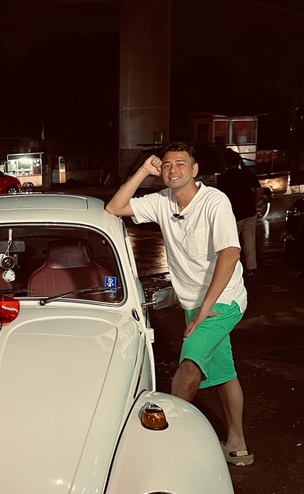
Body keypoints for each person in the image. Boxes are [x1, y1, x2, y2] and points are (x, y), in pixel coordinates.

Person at [105, 142, 252, 466]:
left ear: (195, 169)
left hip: (222, 302)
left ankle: (165, 449)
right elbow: (115, 208)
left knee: (188, 368)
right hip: (195, 302)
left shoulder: (214, 201)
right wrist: (144, 169)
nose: (173, 170)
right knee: (224, 374)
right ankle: (237, 443)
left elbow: (230, 254)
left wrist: (202, 311)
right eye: (167, 165)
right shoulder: (161, 202)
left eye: (181, 164)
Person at [215, 154, 264, 276]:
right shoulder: (248, 174)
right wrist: (255, 202)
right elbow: (258, 190)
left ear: (226, 163)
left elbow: (221, 197)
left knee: (232, 243)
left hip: (233, 214)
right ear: (238, 162)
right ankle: (250, 269)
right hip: (249, 212)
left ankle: (232, 269)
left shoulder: (223, 178)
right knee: (249, 241)